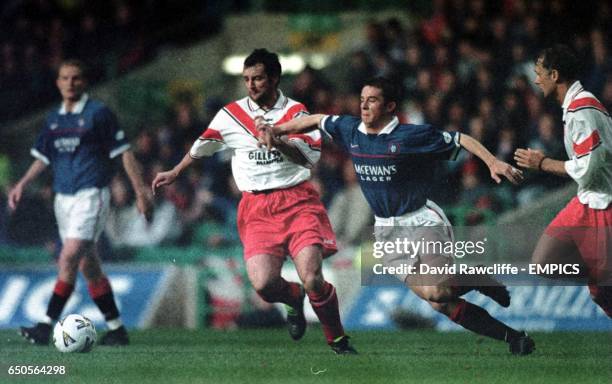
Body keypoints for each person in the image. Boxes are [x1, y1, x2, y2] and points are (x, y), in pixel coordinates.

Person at [257, 77, 536, 355]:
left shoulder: (409, 136)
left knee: (439, 291)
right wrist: (277, 130)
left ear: (390, 106)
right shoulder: (351, 130)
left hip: (421, 220)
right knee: (438, 302)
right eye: (363, 99)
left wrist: (492, 162)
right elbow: (317, 119)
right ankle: (514, 339)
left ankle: (479, 279)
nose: (364, 106)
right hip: (388, 232)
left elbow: (460, 139)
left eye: (373, 100)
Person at [152, 49, 356, 354]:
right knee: (263, 284)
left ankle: (338, 341)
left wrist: (279, 141)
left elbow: (308, 157)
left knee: (313, 276)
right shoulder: (231, 115)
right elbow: (202, 146)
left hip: (297, 201)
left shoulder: (297, 113)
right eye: (247, 79)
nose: (251, 84)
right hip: (257, 209)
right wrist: (176, 170)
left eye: (258, 78)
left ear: (274, 79)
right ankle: (292, 298)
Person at [8, 59, 154, 346]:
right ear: (58, 83)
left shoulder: (98, 114)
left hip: (92, 194)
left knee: (68, 255)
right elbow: (42, 157)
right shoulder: (53, 119)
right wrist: (23, 183)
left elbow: (124, 152)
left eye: (76, 78)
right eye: (65, 78)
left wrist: (140, 191)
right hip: (63, 199)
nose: (70, 83)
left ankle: (45, 325)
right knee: (89, 266)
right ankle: (117, 329)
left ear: (83, 82)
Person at [514, 44, 612, 317]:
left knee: (604, 293)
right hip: (585, 201)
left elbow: (589, 169)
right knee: (544, 263)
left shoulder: (583, 109)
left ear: (554, 75)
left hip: (605, 204)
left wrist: (542, 163)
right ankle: (600, 273)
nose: (536, 79)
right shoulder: (573, 108)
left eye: (538, 73)